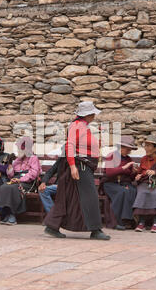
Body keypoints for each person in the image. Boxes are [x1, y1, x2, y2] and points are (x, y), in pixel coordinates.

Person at [43, 101, 110, 240]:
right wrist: (73, 167)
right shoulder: (76, 125)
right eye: (92, 113)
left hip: (84, 166)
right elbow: (70, 146)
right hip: (80, 167)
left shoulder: (84, 126)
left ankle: (52, 226)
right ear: (87, 114)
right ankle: (96, 229)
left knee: (68, 198)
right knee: (91, 197)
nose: (94, 116)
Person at [0, 136, 41, 225]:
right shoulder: (18, 159)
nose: (19, 150)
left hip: (28, 183)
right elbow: (10, 175)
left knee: (14, 188)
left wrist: (20, 180)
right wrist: (10, 165)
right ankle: (5, 213)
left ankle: (12, 214)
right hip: (16, 181)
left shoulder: (33, 158)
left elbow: (33, 174)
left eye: (21, 148)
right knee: (4, 187)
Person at [100, 135, 138, 230]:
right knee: (122, 192)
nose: (129, 151)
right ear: (121, 147)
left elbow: (130, 177)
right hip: (110, 183)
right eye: (128, 149)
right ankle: (117, 222)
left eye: (130, 149)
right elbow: (109, 173)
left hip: (124, 183)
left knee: (132, 191)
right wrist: (124, 167)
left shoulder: (128, 159)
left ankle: (128, 220)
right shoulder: (111, 156)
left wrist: (134, 173)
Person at [38, 146, 65, 213]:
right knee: (43, 190)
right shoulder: (61, 160)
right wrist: (43, 182)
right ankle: (53, 214)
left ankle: (55, 216)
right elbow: (50, 171)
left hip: (70, 187)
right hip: (58, 186)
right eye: (63, 152)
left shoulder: (76, 162)